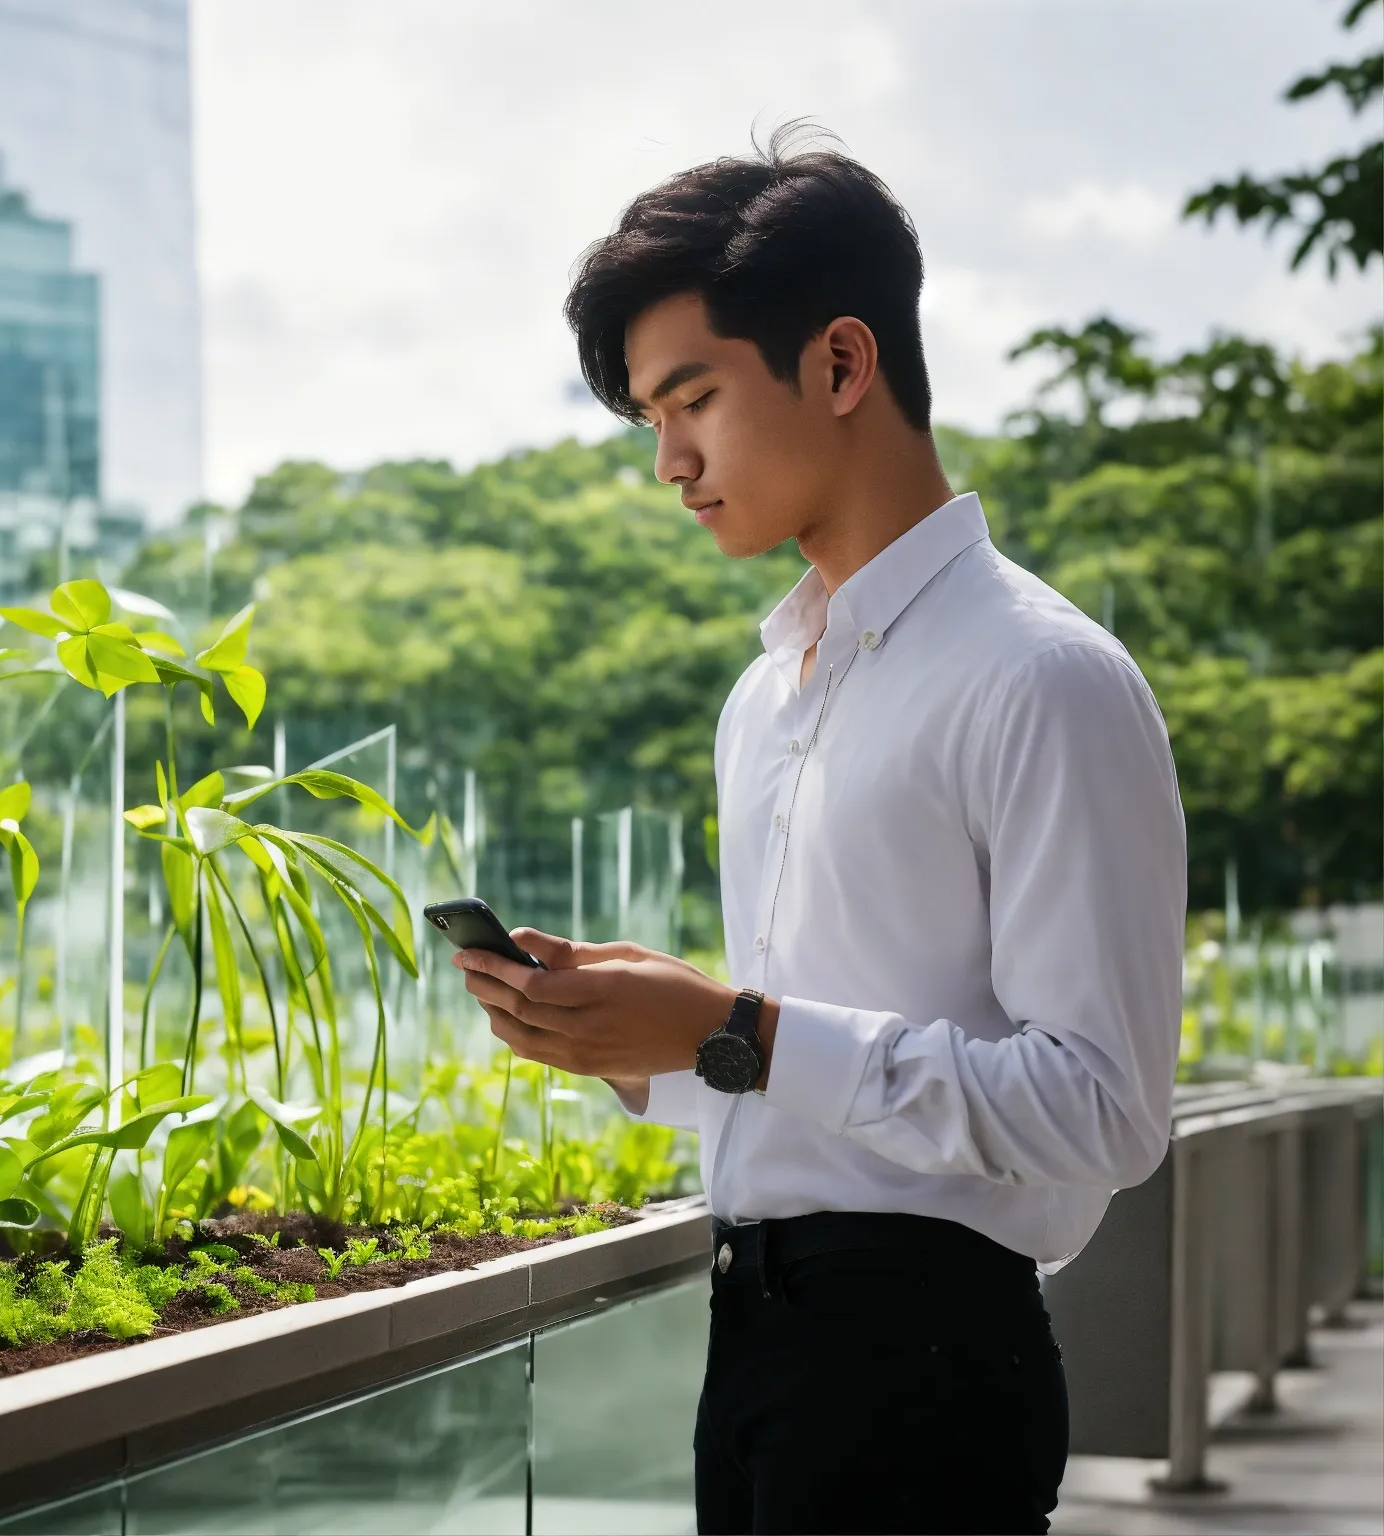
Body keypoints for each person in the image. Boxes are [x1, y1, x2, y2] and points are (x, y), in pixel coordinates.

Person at [452, 126, 1186, 1535]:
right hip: (755, 1333)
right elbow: (795, 1072)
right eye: (647, 422)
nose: (668, 461)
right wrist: (639, 1042)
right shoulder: (763, 697)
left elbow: (1104, 1108)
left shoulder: (1045, 677)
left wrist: (739, 1025)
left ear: (842, 365)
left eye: (693, 400)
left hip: (926, 1359)